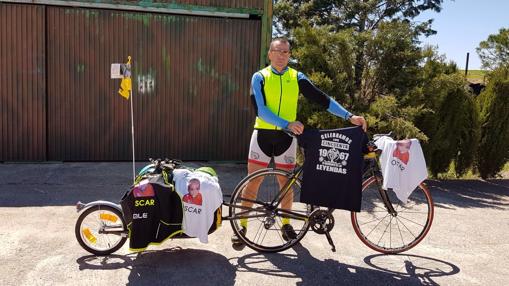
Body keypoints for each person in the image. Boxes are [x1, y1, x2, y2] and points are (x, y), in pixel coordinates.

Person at [232, 37, 367, 248]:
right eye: (277, 51)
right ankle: (242, 225)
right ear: (269, 54)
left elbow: (322, 99)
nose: (281, 56)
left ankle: (286, 223)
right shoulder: (260, 77)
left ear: (290, 55)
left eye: (285, 52)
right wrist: (287, 123)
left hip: (287, 139)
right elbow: (261, 111)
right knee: (253, 182)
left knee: (286, 184)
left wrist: (349, 116)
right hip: (263, 135)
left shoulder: (296, 77)